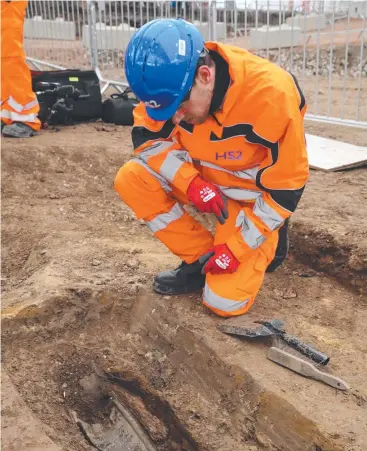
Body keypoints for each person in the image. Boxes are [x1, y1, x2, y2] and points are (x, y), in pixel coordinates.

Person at [114, 19, 309, 317]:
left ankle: (268, 235)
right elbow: (147, 138)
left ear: (205, 75)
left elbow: (286, 189)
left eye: (180, 107)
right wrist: (191, 183)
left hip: (249, 201)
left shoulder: (273, 96)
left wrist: (235, 250)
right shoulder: (169, 87)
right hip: (205, 183)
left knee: (223, 303)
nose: (175, 118)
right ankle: (200, 258)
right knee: (132, 179)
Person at [1, 0, 41, 138]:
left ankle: (27, 120)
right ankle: (7, 115)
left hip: (9, 7)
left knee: (12, 61)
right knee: (5, 65)